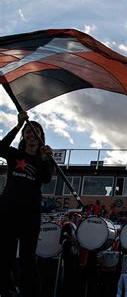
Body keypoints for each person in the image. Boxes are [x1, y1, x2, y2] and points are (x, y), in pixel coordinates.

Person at [0, 111, 53, 297]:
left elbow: (47, 178)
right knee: (5, 252)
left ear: (41, 137)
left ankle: (29, 292)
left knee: (27, 257)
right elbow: (0, 148)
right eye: (27, 132)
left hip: (30, 213)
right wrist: (17, 126)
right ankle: (6, 289)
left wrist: (46, 159)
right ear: (23, 136)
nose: (31, 135)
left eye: (35, 132)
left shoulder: (42, 159)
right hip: (8, 209)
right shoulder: (15, 155)